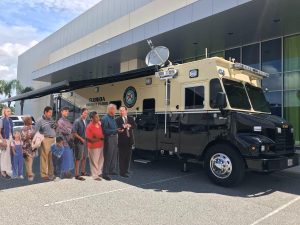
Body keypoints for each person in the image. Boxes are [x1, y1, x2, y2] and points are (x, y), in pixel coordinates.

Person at [35, 106, 56, 181]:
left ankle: (51, 174)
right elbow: (35, 131)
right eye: (49, 112)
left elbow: (53, 128)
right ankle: (44, 174)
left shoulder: (51, 119)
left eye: (51, 112)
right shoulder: (40, 120)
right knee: (44, 158)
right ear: (45, 112)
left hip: (52, 140)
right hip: (45, 139)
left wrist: (55, 126)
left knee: (51, 158)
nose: (51, 114)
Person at [101, 104, 120, 181]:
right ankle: (105, 174)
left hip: (114, 138)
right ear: (110, 110)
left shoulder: (113, 118)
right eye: (114, 109)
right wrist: (115, 130)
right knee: (108, 156)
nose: (115, 111)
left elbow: (115, 128)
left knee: (114, 155)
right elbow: (104, 131)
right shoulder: (105, 119)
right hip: (108, 139)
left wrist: (118, 130)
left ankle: (112, 170)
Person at [116, 106, 136, 177]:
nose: (121, 112)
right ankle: (122, 172)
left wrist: (130, 125)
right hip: (122, 141)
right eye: (120, 111)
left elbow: (135, 126)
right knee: (122, 157)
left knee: (128, 157)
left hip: (129, 140)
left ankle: (126, 170)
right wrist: (123, 127)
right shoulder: (117, 120)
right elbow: (116, 128)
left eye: (123, 110)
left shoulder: (130, 118)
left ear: (126, 111)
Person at [86, 111, 105, 181]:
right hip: (93, 147)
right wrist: (99, 138)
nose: (98, 118)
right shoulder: (89, 127)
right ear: (92, 118)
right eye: (96, 117)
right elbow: (89, 139)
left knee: (101, 160)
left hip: (101, 145)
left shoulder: (99, 124)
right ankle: (95, 175)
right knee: (94, 161)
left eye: (98, 116)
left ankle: (99, 172)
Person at [56, 107, 74, 178]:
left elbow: (71, 130)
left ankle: (67, 173)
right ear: (61, 112)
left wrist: (69, 130)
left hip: (69, 142)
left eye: (68, 111)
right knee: (64, 158)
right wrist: (69, 130)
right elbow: (67, 131)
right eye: (65, 111)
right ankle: (63, 174)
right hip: (63, 143)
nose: (67, 112)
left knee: (69, 158)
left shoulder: (67, 121)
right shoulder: (60, 121)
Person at [72, 108, 89, 181]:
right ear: (81, 113)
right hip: (79, 143)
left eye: (87, 113)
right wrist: (81, 139)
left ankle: (83, 172)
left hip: (85, 142)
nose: (86, 114)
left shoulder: (86, 121)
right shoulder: (77, 121)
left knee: (84, 157)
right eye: (85, 113)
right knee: (78, 158)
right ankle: (76, 175)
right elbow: (74, 133)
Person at [21, 116, 36, 181]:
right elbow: (23, 138)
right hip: (27, 146)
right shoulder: (24, 128)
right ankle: (30, 174)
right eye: (30, 120)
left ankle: (28, 172)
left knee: (28, 160)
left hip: (31, 145)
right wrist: (30, 136)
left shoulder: (32, 127)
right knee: (29, 160)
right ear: (27, 121)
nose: (31, 121)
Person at [0, 106, 13, 179]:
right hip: (4, 139)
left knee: (8, 156)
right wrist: (3, 140)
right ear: (4, 112)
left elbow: (11, 131)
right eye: (7, 111)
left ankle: (7, 171)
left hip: (10, 138)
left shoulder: (10, 120)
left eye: (10, 111)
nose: (9, 112)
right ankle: (3, 172)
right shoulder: (1, 120)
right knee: (4, 156)